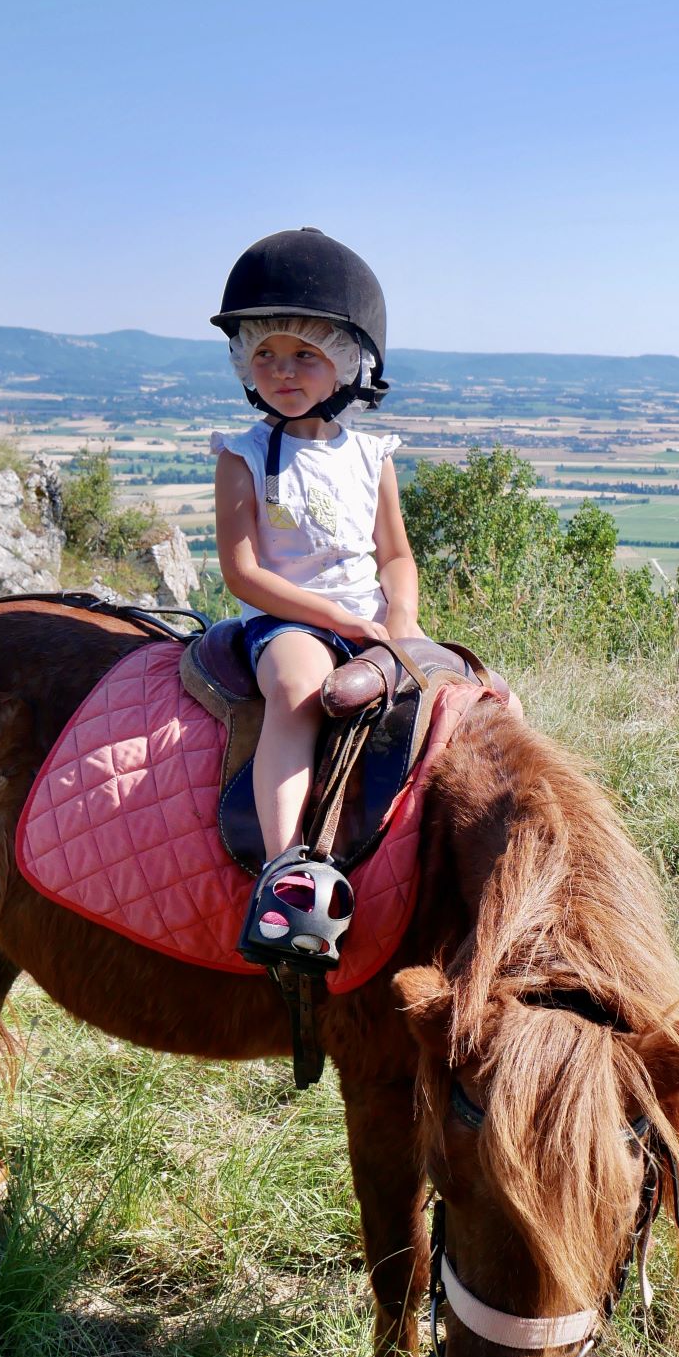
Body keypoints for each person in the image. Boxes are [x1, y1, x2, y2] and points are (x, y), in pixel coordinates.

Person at [210, 227, 421, 961]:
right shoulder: (240, 457)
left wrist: (401, 622)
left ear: (349, 365)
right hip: (288, 622)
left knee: (470, 697)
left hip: (370, 623)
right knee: (299, 689)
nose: (283, 370)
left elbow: (395, 554)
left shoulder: (371, 456)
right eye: (264, 354)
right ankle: (284, 868)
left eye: (305, 354)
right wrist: (335, 618)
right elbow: (243, 573)